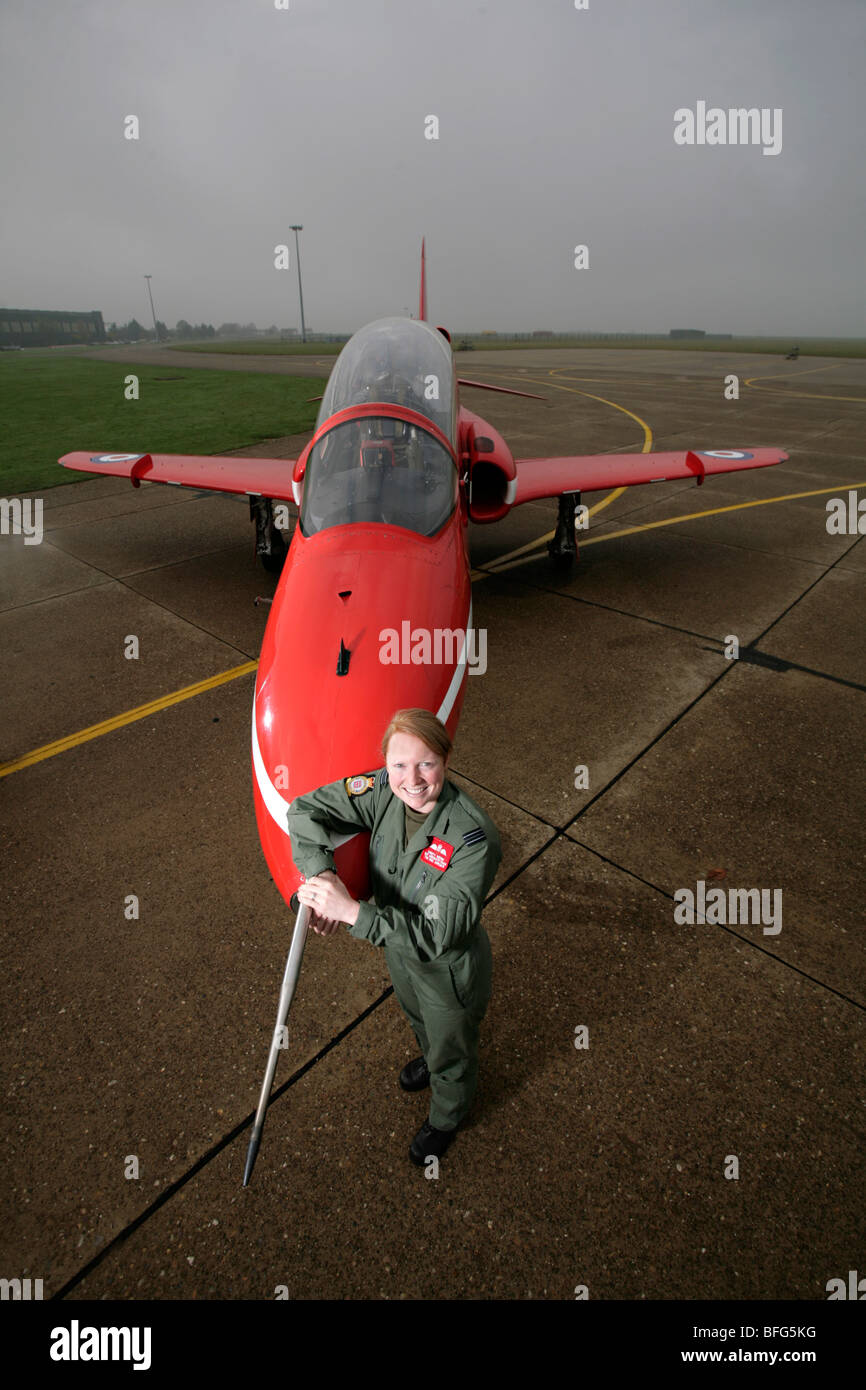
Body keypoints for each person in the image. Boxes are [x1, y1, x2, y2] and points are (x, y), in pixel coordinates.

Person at [287, 708, 501, 1166]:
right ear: (385, 764)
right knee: (418, 1020)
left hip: (447, 969)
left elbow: (437, 935)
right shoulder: (384, 790)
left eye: (427, 763)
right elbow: (304, 809)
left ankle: (448, 1115)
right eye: (400, 764)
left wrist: (350, 913)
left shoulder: (473, 839)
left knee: (453, 1048)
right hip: (400, 956)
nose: (413, 780)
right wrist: (325, 876)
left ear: (445, 759)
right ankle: (431, 1058)